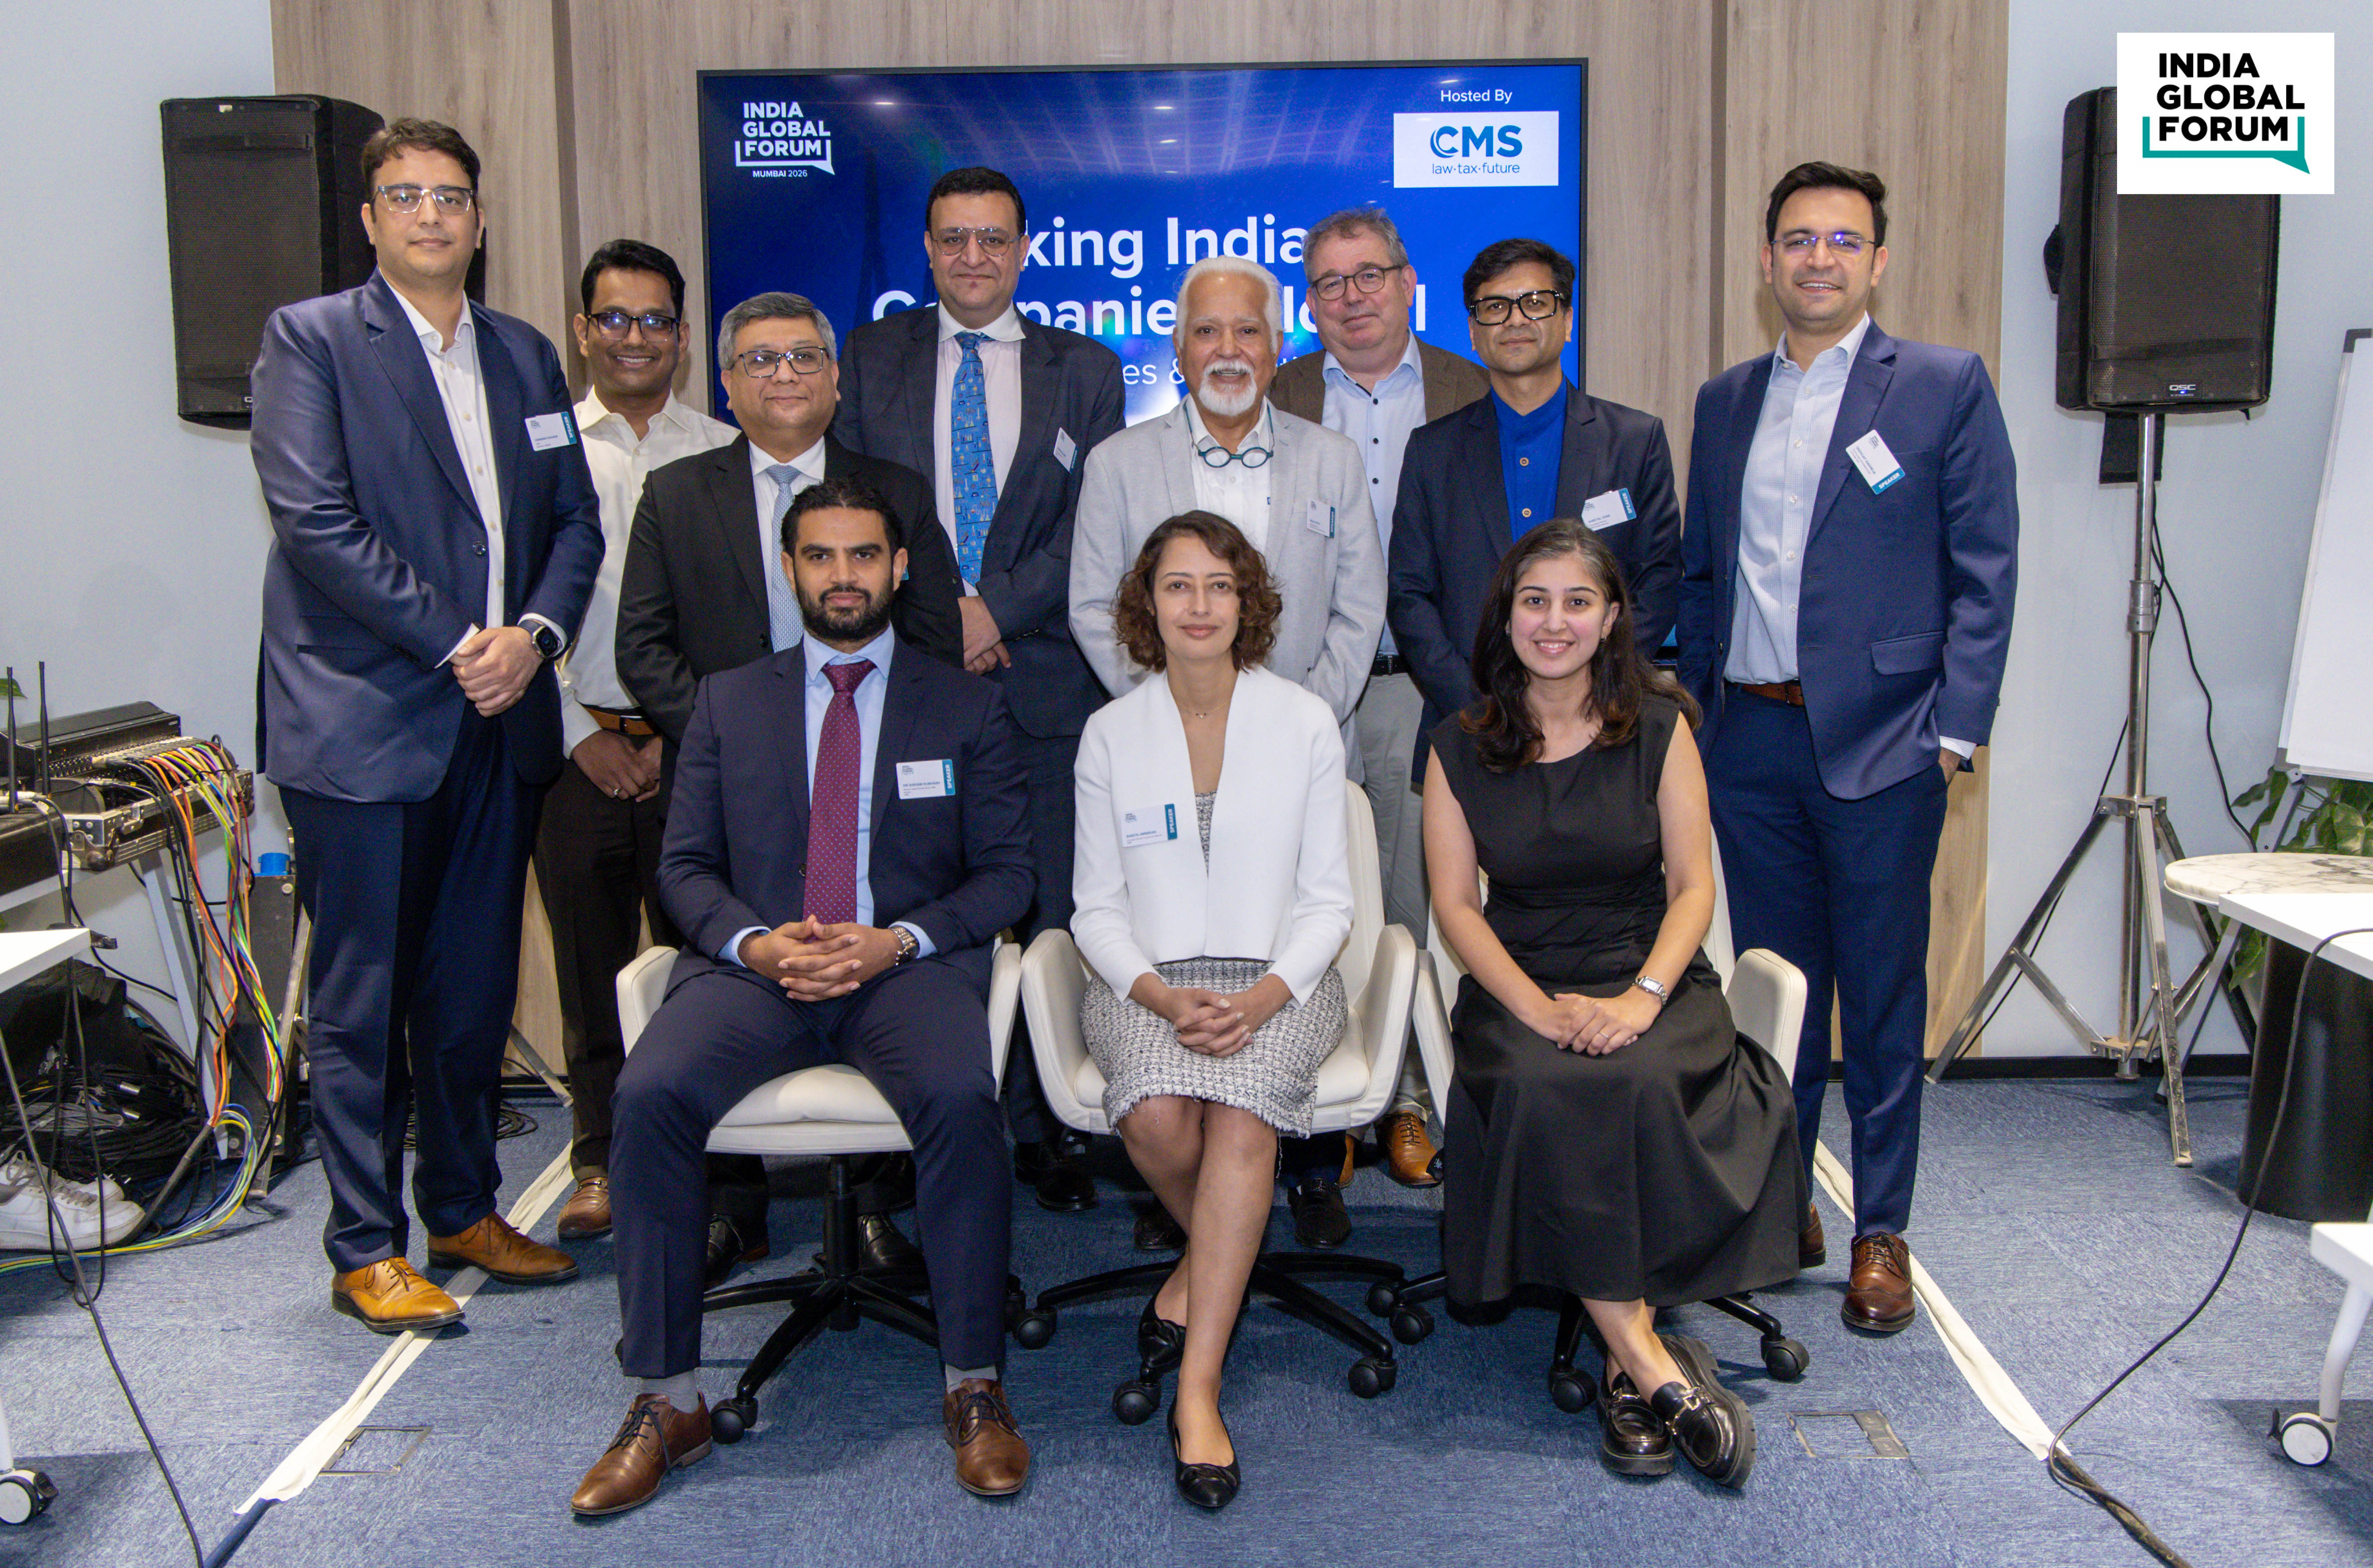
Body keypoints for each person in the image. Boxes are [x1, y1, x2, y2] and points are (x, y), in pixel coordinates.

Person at [572, 478, 1035, 1516]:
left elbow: (1010, 874)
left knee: (962, 1098)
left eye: (863, 554)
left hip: (902, 969)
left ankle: (973, 1381)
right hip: (760, 970)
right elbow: (684, 867)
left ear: (900, 567)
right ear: (789, 569)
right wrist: (756, 940)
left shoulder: (964, 702)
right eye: (819, 556)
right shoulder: (728, 701)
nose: (842, 576)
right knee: (648, 1094)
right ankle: (668, 1398)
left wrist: (895, 940)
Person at [250, 118, 603, 1332]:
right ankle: (364, 1244)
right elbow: (317, 524)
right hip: (366, 723)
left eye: (450, 195)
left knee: (470, 992)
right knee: (364, 1000)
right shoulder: (310, 340)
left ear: (480, 218)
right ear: (369, 219)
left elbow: (574, 523)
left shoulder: (522, 353)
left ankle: (461, 1206)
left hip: (500, 719)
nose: (431, 215)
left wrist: (535, 636)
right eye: (404, 196)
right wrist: (464, 640)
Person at [1676, 162, 2017, 1335]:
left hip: (1885, 744)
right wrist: (1698, 710)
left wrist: (1951, 734)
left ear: (1876, 260)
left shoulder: (1940, 385)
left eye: (1840, 239)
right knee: (1776, 992)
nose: (1815, 258)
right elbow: (1704, 572)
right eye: (1795, 239)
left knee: (1877, 994)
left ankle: (1880, 1226)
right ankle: (1784, 1200)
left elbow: (1984, 569)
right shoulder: (1725, 399)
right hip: (1750, 740)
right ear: (1764, 259)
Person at [1423, 520, 1801, 1487]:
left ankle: (1629, 1369)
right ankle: (1650, 1367)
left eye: (1576, 601)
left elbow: (1693, 888)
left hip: (1650, 971)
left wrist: (1639, 999)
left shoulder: (1661, 727)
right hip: (1521, 979)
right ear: (1505, 617)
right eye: (1534, 601)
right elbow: (1456, 908)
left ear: (1611, 618)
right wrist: (1536, 1009)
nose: (1554, 622)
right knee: (1545, 1080)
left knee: (1631, 1075)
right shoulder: (1456, 746)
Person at [614, 290, 965, 1280]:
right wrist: (747, 742)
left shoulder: (892, 487)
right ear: (725, 382)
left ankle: (875, 1210)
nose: (783, 375)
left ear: (835, 378)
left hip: (878, 792)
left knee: (886, 998)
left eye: (804, 356)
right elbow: (643, 646)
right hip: (736, 809)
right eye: (760, 359)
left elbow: (934, 636)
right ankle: (735, 1210)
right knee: (730, 1006)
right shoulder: (676, 493)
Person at [1068, 255, 1384, 1252]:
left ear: (1277, 346)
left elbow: (1359, 611)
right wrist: (1173, 716)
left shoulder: (1332, 460)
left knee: (1292, 941)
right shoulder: (1119, 463)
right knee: (1169, 957)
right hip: (1163, 759)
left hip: (1304, 758)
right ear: (1177, 348)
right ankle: (1220, 1217)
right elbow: (1094, 606)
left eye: (1247, 330)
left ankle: (1301, 1182)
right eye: (1206, 331)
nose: (1227, 350)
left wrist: (1278, 727)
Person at [834, 166, 1126, 1215]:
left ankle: (1046, 1125)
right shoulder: (870, 356)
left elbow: (1095, 523)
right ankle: (905, 1124)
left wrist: (991, 611)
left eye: (993, 239)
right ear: (926, 248)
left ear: (1023, 249)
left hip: (1044, 677)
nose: (973, 257)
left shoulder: (1084, 368)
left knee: (1047, 905)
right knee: (913, 898)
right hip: (910, 679)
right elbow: (855, 512)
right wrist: (941, 618)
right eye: (953, 238)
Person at [1071, 511, 1354, 1511]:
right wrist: (1156, 992)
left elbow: (1329, 903)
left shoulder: (1304, 721)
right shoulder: (1110, 733)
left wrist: (1264, 996)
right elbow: (1094, 908)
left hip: (1281, 974)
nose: (1199, 606)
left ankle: (1197, 1386)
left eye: (1219, 586)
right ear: (1146, 604)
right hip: (1146, 976)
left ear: (1249, 602)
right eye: (1177, 585)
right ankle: (1227, 1251)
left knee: (1238, 1116)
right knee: (1152, 1112)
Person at [1271, 205, 1488, 1195]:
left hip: (1412, 683)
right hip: (1294, 688)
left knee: (1407, 901)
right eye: (1328, 282)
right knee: (1299, 897)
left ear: (1407, 283)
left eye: (1369, 275)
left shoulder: (1468, 390)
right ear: (1308, 303)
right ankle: (1308, 1103)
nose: (1351, 297)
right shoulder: (1275, 392)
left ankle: (1402, 1094)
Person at [537, 238, 737, 1242]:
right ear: (583, 331)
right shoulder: (541, 452)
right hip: (572, 749)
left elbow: (741, 620)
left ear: (683, 338)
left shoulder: (721, 450)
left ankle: (713, 1170)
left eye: (655, 320)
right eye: (613, 318)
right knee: (590, 966)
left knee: (706, 968)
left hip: (694, 749)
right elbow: (509, 602)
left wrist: (675, 732)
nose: (634, 338)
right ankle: (598, 1160)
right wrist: (578, 733)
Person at [1390, 237, 1682, 747]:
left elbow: (1659, 579)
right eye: (1494, 307)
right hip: (1470, 729)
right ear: (1473, 332)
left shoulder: (1634, 442)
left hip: (1602, 728)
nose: (1515, 320)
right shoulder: (1431, 451)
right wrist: (1479, 707)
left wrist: (1590, 693)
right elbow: (1409, 595)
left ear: (1567, 321)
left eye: (1535, 302)